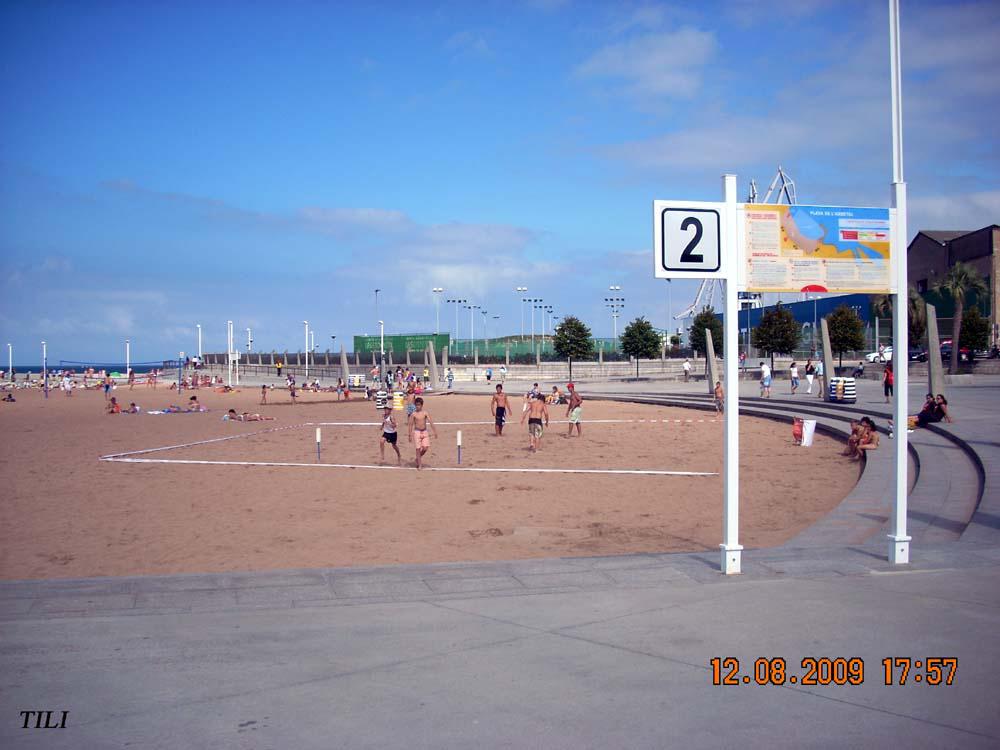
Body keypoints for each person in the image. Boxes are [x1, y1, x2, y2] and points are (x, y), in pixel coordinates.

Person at [407, 397, 438, 469]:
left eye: (419, 405)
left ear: (421, 405)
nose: (418, 406)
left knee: (425, 448)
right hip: (417, 432)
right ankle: (419, 464)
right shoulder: (413, 414)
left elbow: (431, 422)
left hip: (424, 431)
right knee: (418, 448)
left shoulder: (425, 413)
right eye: (416, 405)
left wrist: (435, 431)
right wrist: (409, 435)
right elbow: (410, 424)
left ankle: (418, 458)